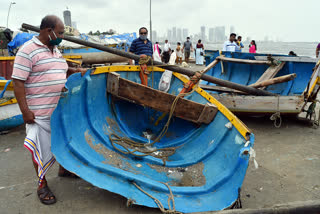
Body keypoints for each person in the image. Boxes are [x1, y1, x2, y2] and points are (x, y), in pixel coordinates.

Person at [11, 15, 87, 205]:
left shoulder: (55, 49)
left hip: (58, 110)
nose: (61, 36)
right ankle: (42, 184)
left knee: (62, 141)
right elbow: (18, 82)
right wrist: (25, 111)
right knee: (40, 149)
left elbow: (61, 68)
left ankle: (63, 169)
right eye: (60, 32)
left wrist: (76, 72)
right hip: (38, 113)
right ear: (48, 31)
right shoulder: (27, 51)